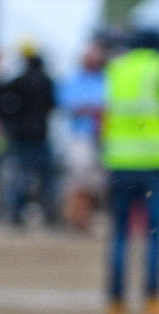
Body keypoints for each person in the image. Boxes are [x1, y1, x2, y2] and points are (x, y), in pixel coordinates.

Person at [102, 28, 159, 314]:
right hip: (153, 163)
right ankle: (152, 299)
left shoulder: (117, 69)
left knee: (119, 235)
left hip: (119, 162)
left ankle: (115, 302)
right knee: (153, 235)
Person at [0, 41, 58, 227]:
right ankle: (50, 214)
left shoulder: (19, 81)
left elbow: (2, 99)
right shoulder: (46, 81)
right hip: (41, 134)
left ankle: (16, 213)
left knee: (20, 178)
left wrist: (10, 118)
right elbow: (52, 105)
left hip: (22, 135)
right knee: (46, 179)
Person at [59, 40, 108, 232]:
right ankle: (76, 219)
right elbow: (69, 105)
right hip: (81, 136)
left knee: (94, 182)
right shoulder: (74, 81)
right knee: (78, 180)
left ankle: (85, 218)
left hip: (101, 138)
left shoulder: (105, 79)